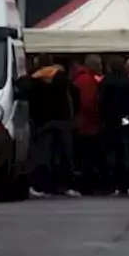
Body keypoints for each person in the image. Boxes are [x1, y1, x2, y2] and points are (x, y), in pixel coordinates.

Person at [25, 54, 82, 198]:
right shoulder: (62, 77)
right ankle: (63, 186)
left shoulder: (34, 79)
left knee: (42, 154)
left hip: (42, 121)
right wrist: (73, 114)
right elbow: (75, 95)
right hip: (62, 119)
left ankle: (41, 186)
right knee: (63, 154)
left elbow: (28, 98)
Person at [98, 57, 129, 195]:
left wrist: (106, 120)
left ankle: (111, 184)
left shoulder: (105, 82)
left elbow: (101, 104)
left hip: (109, 123)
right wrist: (127, 120)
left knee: (109, 154)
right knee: (126, 154)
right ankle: (125, 184)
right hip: (125, 123)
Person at [71, 54, 104, 194]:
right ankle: (87, 186)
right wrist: (98, 117)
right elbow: (89, 103)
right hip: (87, 125)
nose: (101, 67)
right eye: (99, 64)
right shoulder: (87, 81)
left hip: (81, 123)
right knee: (88, 157)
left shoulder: (80, 79)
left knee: (83, 157)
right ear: (92, 65)